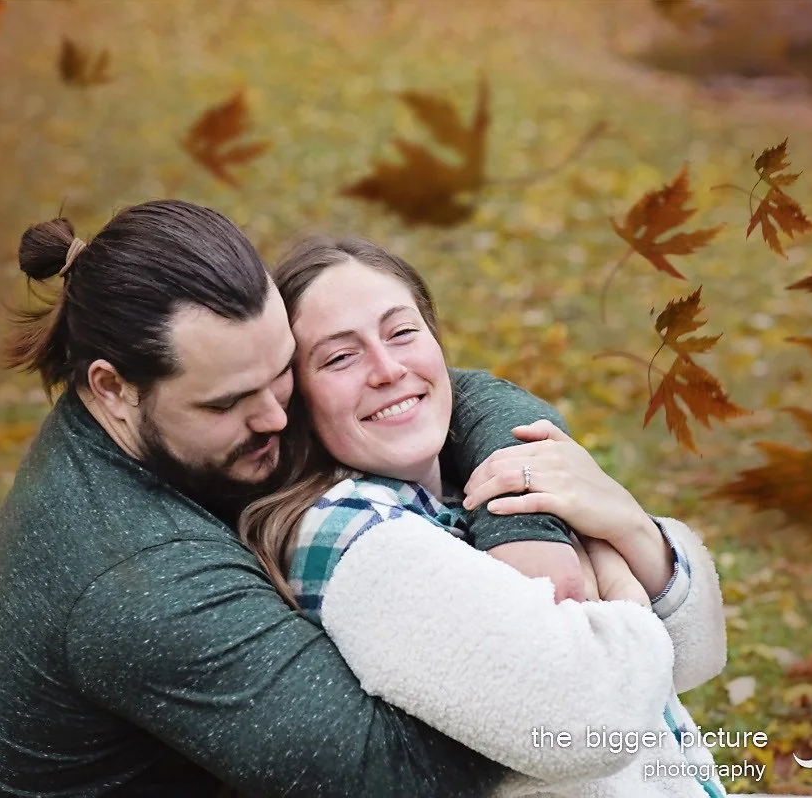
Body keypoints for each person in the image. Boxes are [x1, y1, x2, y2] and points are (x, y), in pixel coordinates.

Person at [0, 199, 628, 797]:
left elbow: (457, 390)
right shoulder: (139, 580)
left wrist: (524, 526)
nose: (277, 417)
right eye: (230, 403)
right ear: (112, 387)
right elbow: (388, 775)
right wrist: (616, 606)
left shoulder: (172, 411)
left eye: (283, 375)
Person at [238, 236, 729, 797]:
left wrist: (628, 523)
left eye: (402, 332)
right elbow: (587, 723)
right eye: (340, 357)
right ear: (296, 399)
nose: (387, 369)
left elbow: (696, 655)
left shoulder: (459, 482)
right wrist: (609, 560)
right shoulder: (352, 534)